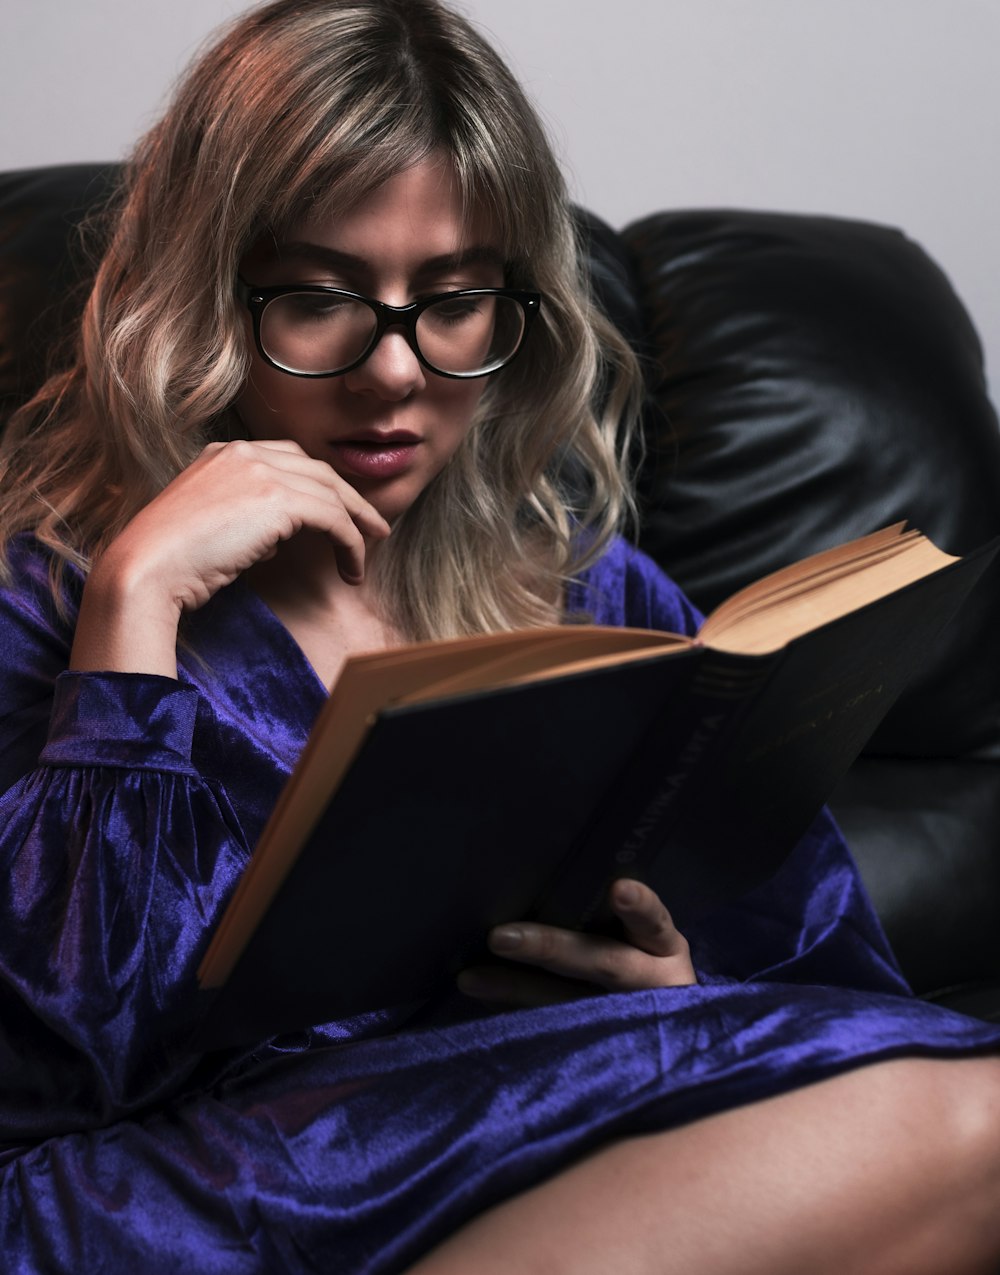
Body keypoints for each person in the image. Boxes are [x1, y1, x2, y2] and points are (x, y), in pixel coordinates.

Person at [0, 1, 999, 1271]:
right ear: (200, 301)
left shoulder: (597, 591)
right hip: (203, 1202)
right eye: (318, 298)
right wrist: (128, 618)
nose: (397, 372)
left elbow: (824, 974)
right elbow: (42, 1082)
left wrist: (675, 996)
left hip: (535, 1130)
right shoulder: (56, 604)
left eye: (456, 299)